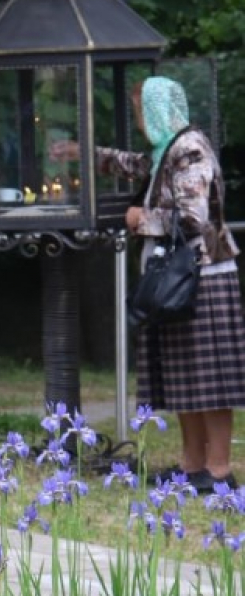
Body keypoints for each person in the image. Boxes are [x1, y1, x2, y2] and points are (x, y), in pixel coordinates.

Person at [70, 76, 245, 493]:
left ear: (158, 109)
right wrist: (85, 155)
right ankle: (192, 464)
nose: (139, 119)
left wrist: (140, 219)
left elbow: (194, 217)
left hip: (202, 278)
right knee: (185, 376)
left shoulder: (190, 148)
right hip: (177, 281)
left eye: (140, 109)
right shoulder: (168, 149)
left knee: (209, 380)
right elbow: (136, 165)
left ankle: (218, 469)